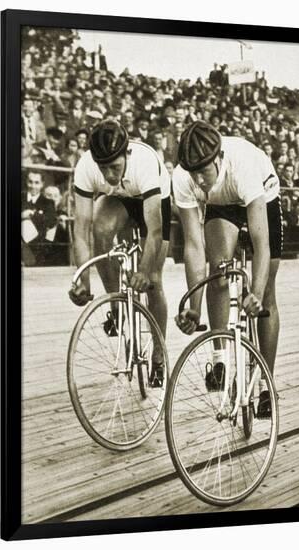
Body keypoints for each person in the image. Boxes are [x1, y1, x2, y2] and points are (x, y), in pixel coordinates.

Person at [173, 121, 282, 418]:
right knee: (218, 268)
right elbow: (194, 247)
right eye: (192, 173)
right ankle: (220, 358)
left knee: (266, 299)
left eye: (203, 172)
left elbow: (262, 245)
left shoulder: (242, 166)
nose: (198, 179)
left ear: (218, 158)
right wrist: (193, 309)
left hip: (262, 194)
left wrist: (256, 294)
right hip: (222, 203)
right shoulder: (184, 177)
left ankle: (264, 383)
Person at [68, 120, 171, 387]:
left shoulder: (145, 162)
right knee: (99, 230)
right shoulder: (85, 167)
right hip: (119, 199)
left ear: (127, 154)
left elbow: (155, 231)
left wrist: (144, 271)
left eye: (114, 167)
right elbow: (81, 229)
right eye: (103, 169)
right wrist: (83, 279)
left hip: (152, 202)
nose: (110, 175)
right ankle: (116, 306)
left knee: (154, 282)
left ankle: (159, 355)